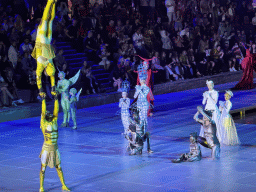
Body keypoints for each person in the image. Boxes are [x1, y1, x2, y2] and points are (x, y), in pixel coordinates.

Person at [39, 92, 70, 192]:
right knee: (43, 168)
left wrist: (56, 99)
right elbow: (43, 112)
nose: (49, 113)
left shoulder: (54, 121)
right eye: (47, 113)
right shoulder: (43, 123)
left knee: (59, 167)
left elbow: (56, 110)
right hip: (47, 148)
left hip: (55, 148)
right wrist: (43, 100)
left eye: (49, 113)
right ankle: (41, 187)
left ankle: (63, 185)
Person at [31, 0, 57, 97]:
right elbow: (51, 78)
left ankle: (51, 3)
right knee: (49, 20)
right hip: (45, 41)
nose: (46, 73)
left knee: (47, 20)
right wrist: (51, 88)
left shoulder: (44, 65)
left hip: (42, 41)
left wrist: (41, 90)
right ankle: (52, 3)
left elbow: (40, 77)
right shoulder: (47, 64)